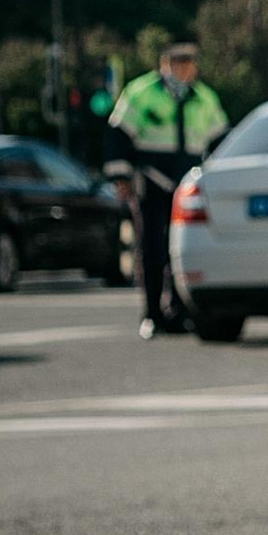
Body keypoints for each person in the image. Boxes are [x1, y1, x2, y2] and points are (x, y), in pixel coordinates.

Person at [108, 41, 228, 338]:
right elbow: (118, 135)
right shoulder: (142, 92)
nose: (185, 68)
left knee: (181, 249)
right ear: (165, 64)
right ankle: (151, 312)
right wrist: (121, 176)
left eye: (189, 62)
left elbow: (219, 140)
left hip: (188, 184)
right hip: (152, 180)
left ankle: (179, 310)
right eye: (178, 61)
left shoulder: (204, 97)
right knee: (151, 246)